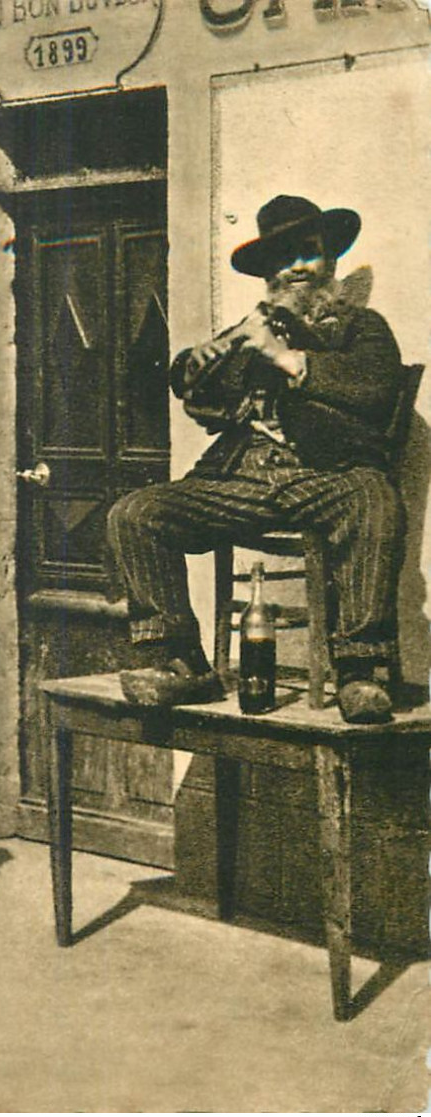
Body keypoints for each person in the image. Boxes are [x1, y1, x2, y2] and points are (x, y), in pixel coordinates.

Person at [106, 194, 407, 724]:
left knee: (376, 501)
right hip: (242, 477)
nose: (295, 267)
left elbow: (376, 390)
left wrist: (286, 359)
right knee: (135, 514)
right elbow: (192, 385)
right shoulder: (252, 329)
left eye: (306, 253)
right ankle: (180, 664)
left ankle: (360, 673)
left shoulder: (364, 328)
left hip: (327, 473)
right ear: (268, 272)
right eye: (281, 258)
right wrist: (202, 362)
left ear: (329, 260)